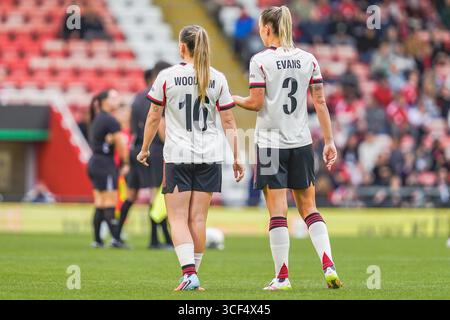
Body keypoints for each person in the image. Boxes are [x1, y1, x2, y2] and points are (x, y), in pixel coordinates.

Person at [232, 6, 342, 290]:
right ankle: (328, 264)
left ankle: (282, 277)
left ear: (267, 29)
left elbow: (256, 103)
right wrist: (329, 141)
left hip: (270, 145)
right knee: (309, 208)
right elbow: (320, 102)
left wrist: (232, 98)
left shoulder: (260, 60)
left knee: (278, 213)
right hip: (302, 142)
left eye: (260, 27)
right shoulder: (309, 59)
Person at [137, 25, 245, 291]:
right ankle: (194, 276)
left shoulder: (167, 76)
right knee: (198, 219)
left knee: (177, 218)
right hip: (210, 155)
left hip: (178, 155)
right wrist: (237, 156)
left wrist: (145, 148)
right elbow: (228, 120)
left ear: (182, 47)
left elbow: (153, 116)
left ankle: (188, 274)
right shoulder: (217, 78)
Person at [117, 63, 173, 249]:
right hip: (153, 149)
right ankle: (154, 240)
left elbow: (131, 126)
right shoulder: (159, 95)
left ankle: (116, 235)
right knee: (155, 194)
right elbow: (161, 124)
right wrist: (170, 146)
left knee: (131, 193)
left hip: (135, 149)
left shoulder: (137, 98)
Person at [87, 89, 129, 249]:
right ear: (104, 101)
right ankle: (116, 239)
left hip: (95, 163)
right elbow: (121, 144)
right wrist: (125, 163)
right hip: (105, 164)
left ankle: (97, 240)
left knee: (100, 203)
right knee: (109, 203)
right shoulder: (111, 121)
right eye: (113, 97)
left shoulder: (98, 118)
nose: (117, 100)